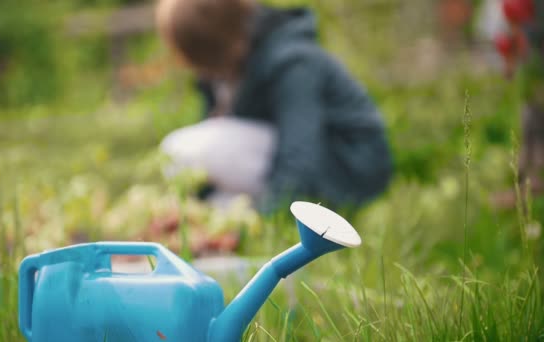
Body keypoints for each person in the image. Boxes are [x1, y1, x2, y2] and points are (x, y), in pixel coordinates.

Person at [156, 0, 393, 213]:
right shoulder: (225, 69)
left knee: (179, 150)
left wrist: (269, 216)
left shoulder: (293, 62)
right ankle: (241, 211)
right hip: (289, 158)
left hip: (348, 171)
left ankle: (281, 208)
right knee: (200, 181)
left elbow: (299, 153)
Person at [490, 0, 544, 207]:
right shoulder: (517, 17)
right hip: (533, 65)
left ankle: (533, 180)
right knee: (530, 117)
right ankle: (527, 181)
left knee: (535, 118)